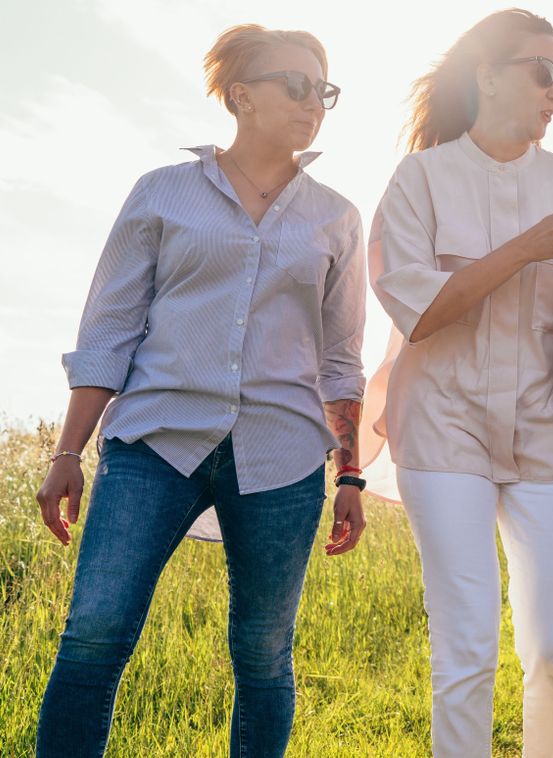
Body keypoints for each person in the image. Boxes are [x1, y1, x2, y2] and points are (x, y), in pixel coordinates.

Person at [32, 24, 366, 757]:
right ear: (239, 94)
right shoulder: (162, 193)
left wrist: (351, 472)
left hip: (281, 457)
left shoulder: (336, 216)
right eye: (297, 84)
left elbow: (341, 360)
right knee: (94, 635)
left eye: (325, 90)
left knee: (264, 658)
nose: (315, 102)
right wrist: (66, 451)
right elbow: (109, 330)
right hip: (154, 441)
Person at [360, 9, 553, 757]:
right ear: (489, 75)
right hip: (443, 430)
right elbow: (422, 308)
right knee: (465, 648)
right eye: (542, 72)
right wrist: (524, 248)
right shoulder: (420, 178)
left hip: (550, 434)